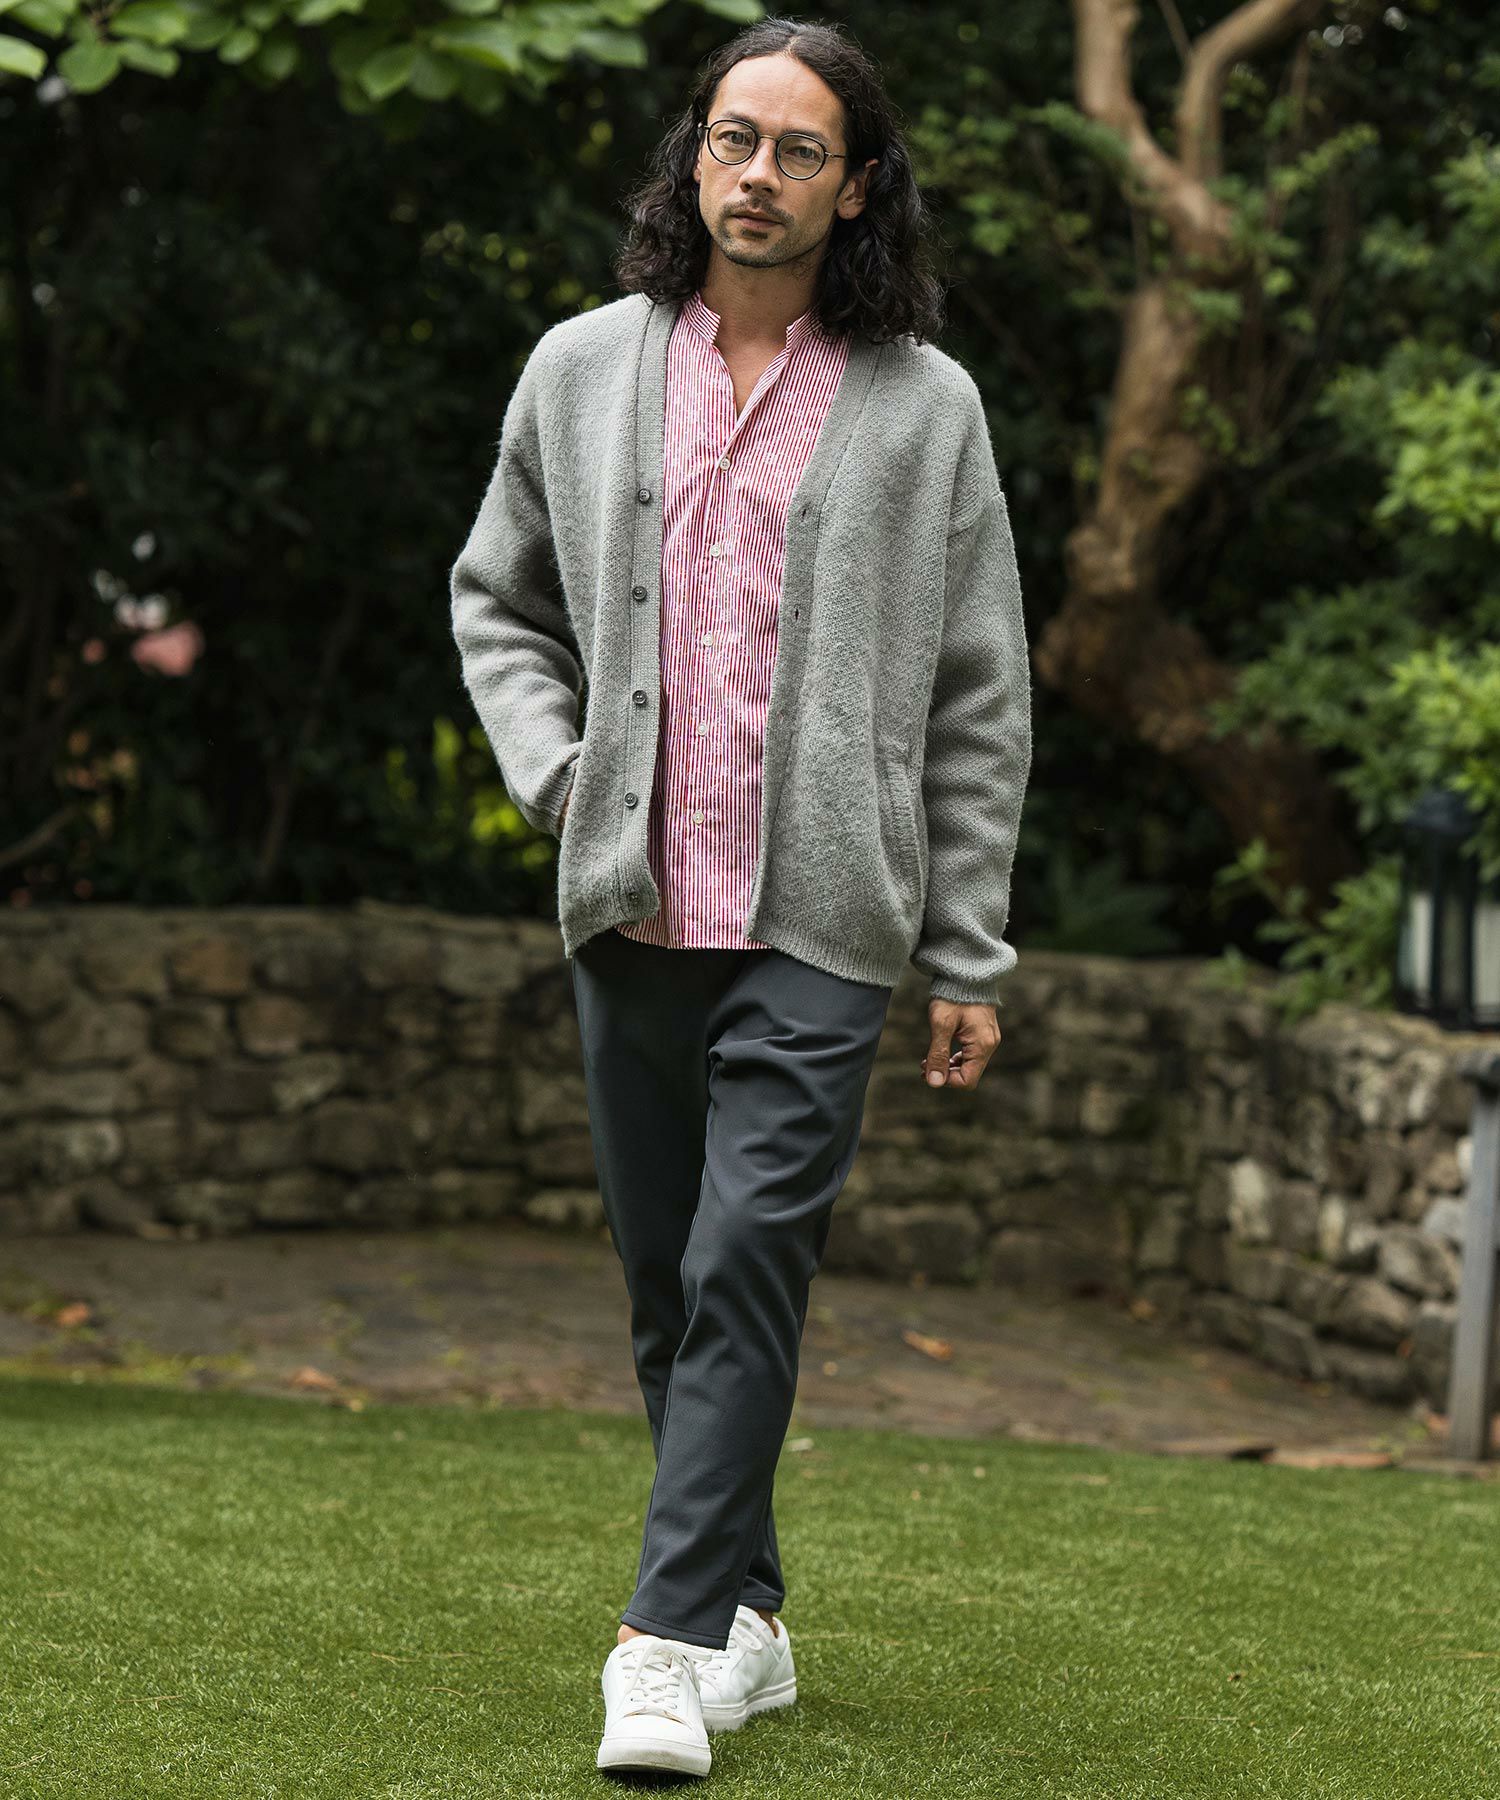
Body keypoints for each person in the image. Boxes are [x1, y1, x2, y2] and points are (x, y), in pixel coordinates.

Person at [449, 14, 1033, 1780]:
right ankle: (750, 1616)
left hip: (826, 917)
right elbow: (498, 600)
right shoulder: (582, 368)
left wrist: (968, 949)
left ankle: (660, 1644)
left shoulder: (927, 409)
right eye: (731, 138)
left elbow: (979, 694)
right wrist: (561, 779)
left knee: (746, 1254)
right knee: (667, 1283)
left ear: (857, 186)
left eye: (797, 149)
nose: (756, 174)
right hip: (632, 898)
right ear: (692, 159)